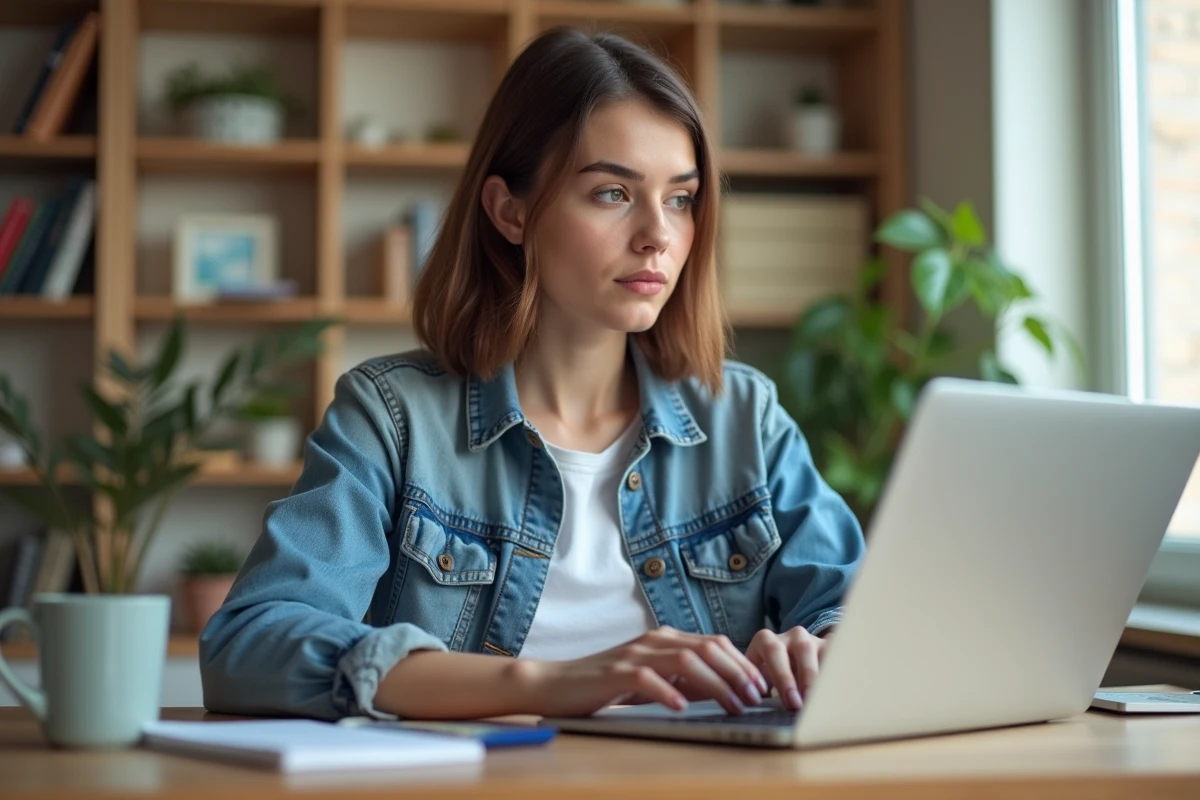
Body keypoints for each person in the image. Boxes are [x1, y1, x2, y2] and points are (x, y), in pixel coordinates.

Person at [200, 26, 865, 722]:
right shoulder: (392, 419)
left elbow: (851, 609)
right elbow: (248, 645)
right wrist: (548, 684)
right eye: (613, 193)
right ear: (509, 211)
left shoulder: (745, 419)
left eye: (680, 198)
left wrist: (825, 646)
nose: (658, 235)